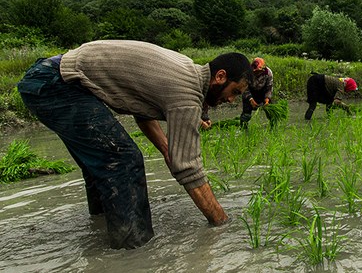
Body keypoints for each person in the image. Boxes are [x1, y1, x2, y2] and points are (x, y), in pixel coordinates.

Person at [16, 40, 250, 249]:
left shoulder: (186, 69)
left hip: (50, 76)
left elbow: (141, 109)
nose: (230, 100)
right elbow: (188, 168)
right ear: (220, 76)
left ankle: (100, 226)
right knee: (122, 160)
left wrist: (165, 148)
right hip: (57, 84)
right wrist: (221, 223)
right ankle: (134, 252)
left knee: (103, 161)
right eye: (234, 92)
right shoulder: (187, 94)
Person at [201, 57, 274, 128]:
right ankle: (244, 128)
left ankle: (273, 126)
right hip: (250, 94)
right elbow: (245, 89)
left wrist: (267, 99)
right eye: (255, 71)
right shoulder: (248, 74)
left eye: (258, 71)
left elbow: (269, 87)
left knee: (271, 111)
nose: (256, 72)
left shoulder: (268, 73)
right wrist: (251, 99)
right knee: (246, 115)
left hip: (262, 93)